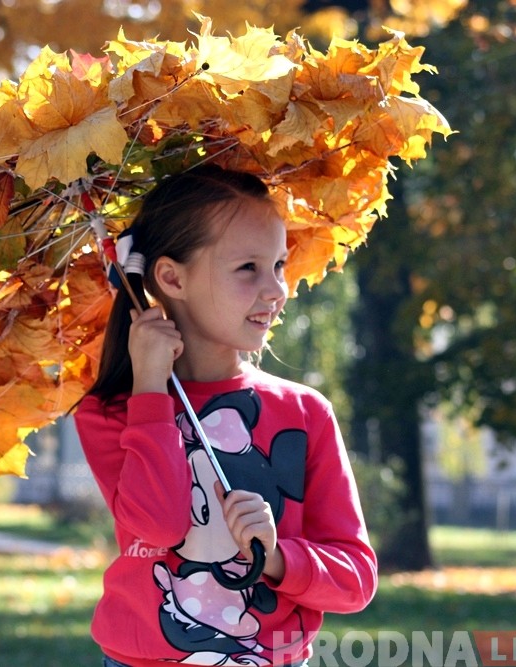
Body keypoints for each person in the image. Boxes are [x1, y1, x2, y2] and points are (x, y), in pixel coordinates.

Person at [73, 164, 377, 667]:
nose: (276, 289)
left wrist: (278, 558)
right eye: (248, 269)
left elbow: (355, 580)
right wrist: (150, 388)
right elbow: (161, 526)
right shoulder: (110, 413)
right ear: (172, 277)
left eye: (279, 265)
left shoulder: (305, 415)